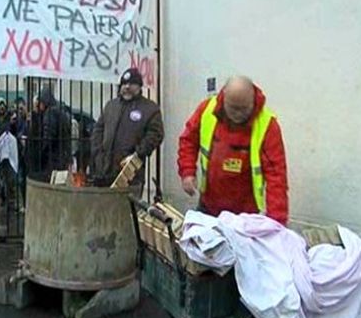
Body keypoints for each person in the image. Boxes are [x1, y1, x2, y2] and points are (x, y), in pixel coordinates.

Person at [177, 76, 288, 225]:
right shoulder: (207, 111)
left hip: (245, 216)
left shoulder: (267, 125)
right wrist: (187, 172)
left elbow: (276, 176)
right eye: (233, 108)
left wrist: (277, 223)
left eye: (244, 109)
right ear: (224, 99)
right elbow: (188, 140)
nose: (238, 114)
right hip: (208, 207)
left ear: (253, 101)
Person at [90, 68, 164, 191]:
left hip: (130, 175)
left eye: (132, 84)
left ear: (139, 87)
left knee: (127, 209)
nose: (127, 87)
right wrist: (98, 155)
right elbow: (98, 131)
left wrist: (138, 154)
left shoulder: (150, 109)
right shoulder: (111, 106)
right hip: (104, 172)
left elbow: (156, 134)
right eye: (124, 84)